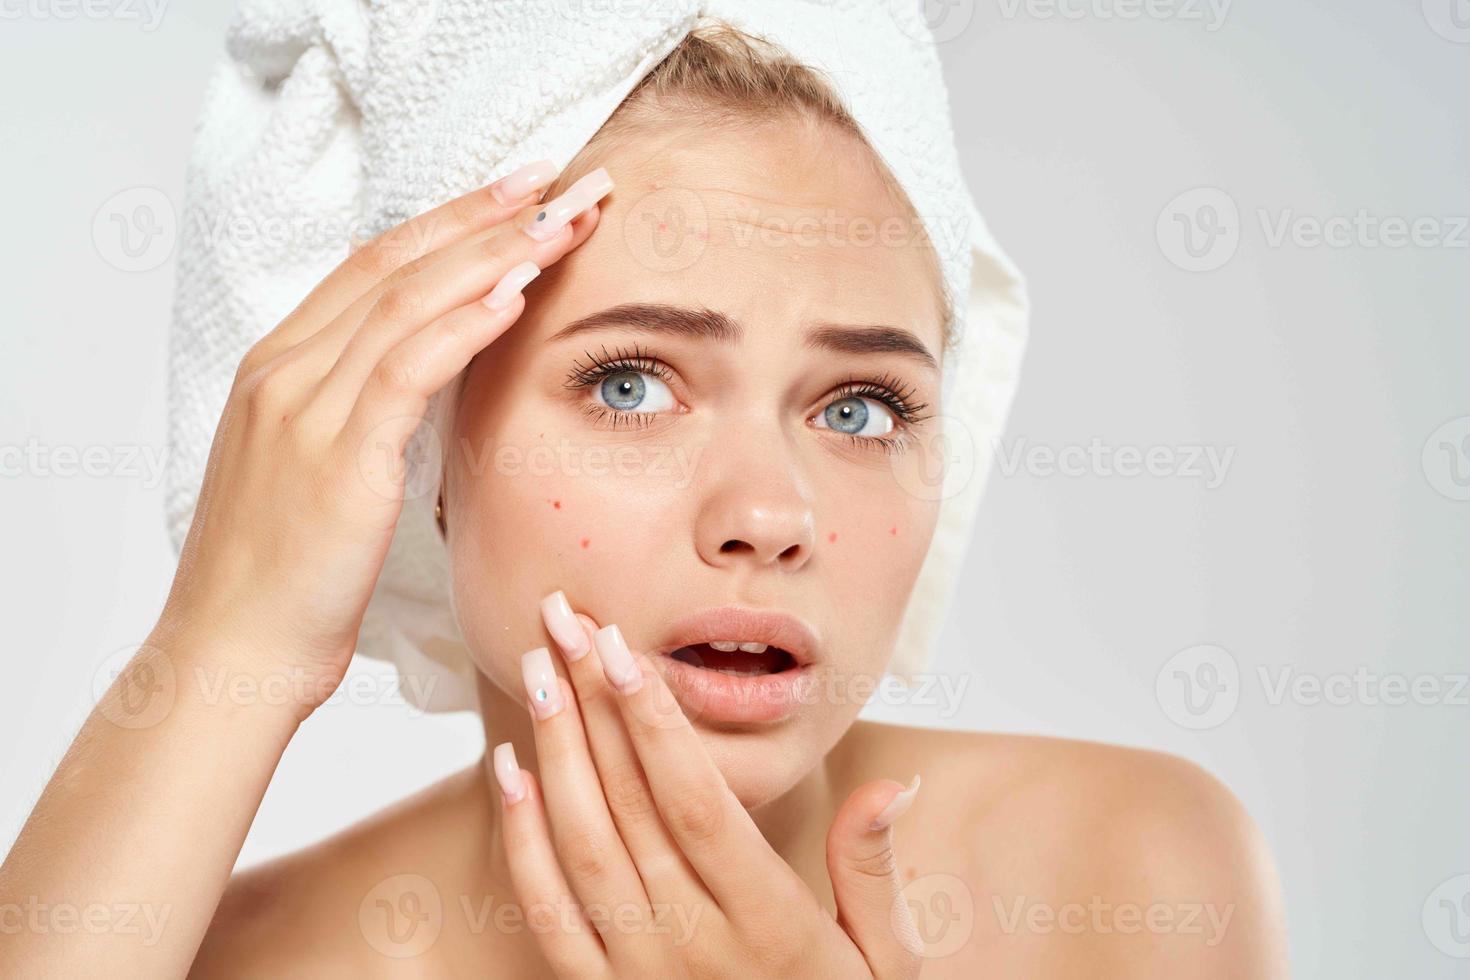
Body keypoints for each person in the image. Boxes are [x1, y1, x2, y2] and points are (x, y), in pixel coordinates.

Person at [0, 24, 1287, 978]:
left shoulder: (1123, 880)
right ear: (426, 442)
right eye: (629, 382)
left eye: (859, 407)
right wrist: (230, 637)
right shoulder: (244, 959)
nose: (768, 513)